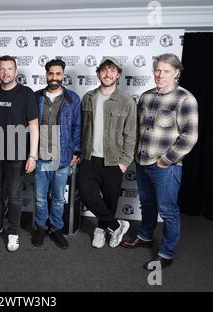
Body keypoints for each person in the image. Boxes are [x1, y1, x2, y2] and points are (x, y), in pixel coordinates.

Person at [121, 53, 198, 270]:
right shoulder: (146, 97)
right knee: (147, 204)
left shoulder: (185, 98)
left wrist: (166, 161)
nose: (160, 75)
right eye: (157, 70)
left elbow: (189, 136)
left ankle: (166, 253)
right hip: (142, 162)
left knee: (167, 210)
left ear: (176, 73)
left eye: (165, 71)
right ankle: (145, 237)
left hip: (165, 167)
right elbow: (138, 130)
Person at [0, 55, 39, 252]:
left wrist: (33, 155)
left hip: (17, 154)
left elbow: (34, 126)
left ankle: (13, 232)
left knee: (13, 196)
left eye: (9, 69)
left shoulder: (26, 93)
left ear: (16, 71)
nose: (5, 72)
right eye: (2, 69)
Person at [77, 57, 136, 249]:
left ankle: (101, 230)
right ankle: (117, 225)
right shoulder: (88, 97)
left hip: (113, 161)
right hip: (88, 158)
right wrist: (78, 152)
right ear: (98, 73)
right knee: (87, 194)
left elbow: (131, 135)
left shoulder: (127, 101)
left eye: (112, 70)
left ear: (118, 74)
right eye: (104, 70)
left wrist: (124, 162)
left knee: (110, 200)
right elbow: (81, 128)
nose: (108, 74)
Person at [32, 59, 81, 249]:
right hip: (41, 155)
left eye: (58, 74)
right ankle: (41, 227)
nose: (54, 77)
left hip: (62, 157)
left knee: (59, 197)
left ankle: (56, 229)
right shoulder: (36, 97)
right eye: (51, 74)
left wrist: (76, 151)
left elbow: (77, 126)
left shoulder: (72, 99)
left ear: (63, 75)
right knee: (39, 196)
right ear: (46, 75)